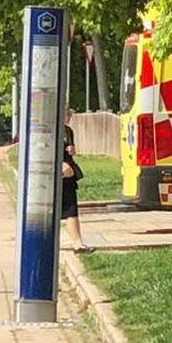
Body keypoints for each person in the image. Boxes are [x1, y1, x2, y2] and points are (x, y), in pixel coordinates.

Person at [60, 109, 93, 254]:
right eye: (66, 115)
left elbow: (70, 150)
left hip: (68, 174)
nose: (68, 118)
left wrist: (71, 150)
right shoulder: (51, 131)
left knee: (71, 208)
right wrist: (59, 164)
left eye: (69, 115)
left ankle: (78, 243)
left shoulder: (68, 131)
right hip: (54, 172)